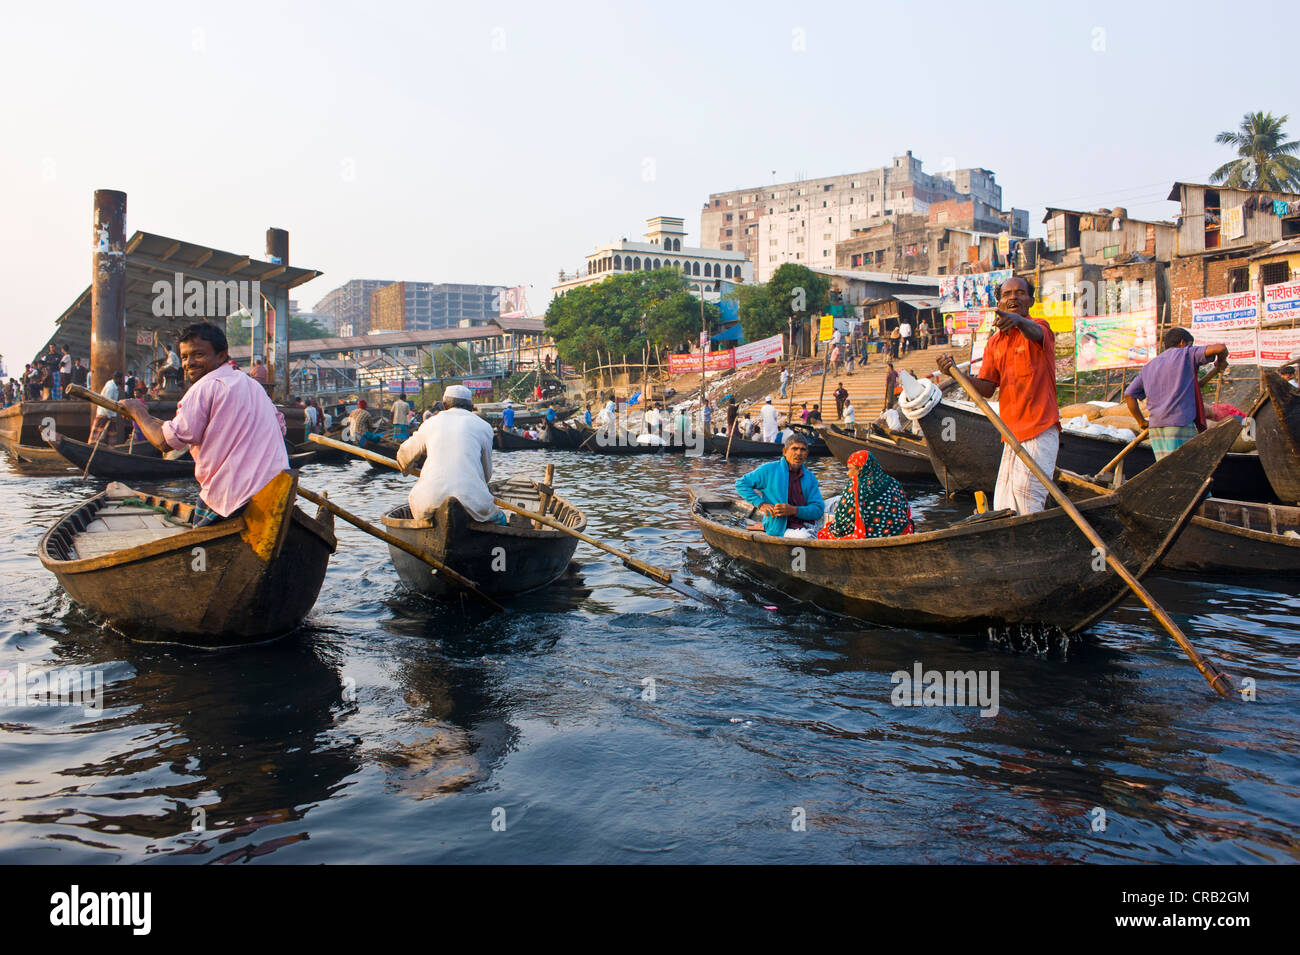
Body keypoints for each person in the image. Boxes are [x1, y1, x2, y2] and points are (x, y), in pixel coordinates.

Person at [119, 323, 288, 527]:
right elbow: (280, 427)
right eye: (184, 357)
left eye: (198, 354)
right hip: (277, 494)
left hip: (233, 499)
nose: (189, 363)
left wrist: (138, 412)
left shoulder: (205, 387)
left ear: (221, 355)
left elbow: (164, 442)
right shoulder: (254, 386)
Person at [937, 276, 1058, 515]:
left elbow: (1034, 331)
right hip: (1011, 433)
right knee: (1003, 502)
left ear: (1031, 300)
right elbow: (986, 388)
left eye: (1020, 293)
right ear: (999, 303)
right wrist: (956, 372)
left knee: (1028, 495)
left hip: (1040, 427)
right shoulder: (995, 343)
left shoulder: (1040, 328)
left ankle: (1030, 545)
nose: (1013, 297)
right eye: (1007, 294)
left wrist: (1017, 321)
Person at [396, 384, 504, 525]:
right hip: (473, 502)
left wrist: (407, 468)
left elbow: (404, 454)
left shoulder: (430, 423)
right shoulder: (484, 427)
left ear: (444, 406)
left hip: (428, 500)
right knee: (501, 519)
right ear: (471, 407)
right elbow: (487, 474)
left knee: (419, 505)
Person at [1123, 327, 1228, 459]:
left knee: (1166, 472)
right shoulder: (1186, 353)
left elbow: (1129, 395)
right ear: (1182, 343)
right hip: (1179, 425)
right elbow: (1221, 348)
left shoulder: (1149, 366)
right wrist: (1221, 360)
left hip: (1156, 429)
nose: (1191, 347)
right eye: (1190, 345)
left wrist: (1141, 422)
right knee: (1183, 470)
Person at [734, 432, 826, 538]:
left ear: (807, 453)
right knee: (805, 537)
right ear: (785, 451)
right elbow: (741, 484)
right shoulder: (769, 470)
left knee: (836, 501)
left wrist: (794, 510)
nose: (799, 453)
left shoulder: (810, 477)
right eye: (794, 449)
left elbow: (818, 509)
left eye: (803, 449)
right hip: (782, 528)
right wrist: (760, 504)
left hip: (808, 524)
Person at [816, 450, 914, 540]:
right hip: (897, 533)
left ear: (861, 469)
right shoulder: (893, 482)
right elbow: (905, 511)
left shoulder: (855, 485)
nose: (847, 473)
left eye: (850, 469)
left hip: (868, 536)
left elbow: (843, 523)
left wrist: (831, 528)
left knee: (824, 533)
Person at [88, 371, 125, 443]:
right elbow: (105, 403)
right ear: (117, 379)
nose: (121, 381)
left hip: (110, 413)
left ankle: (110, 447)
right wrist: (110, 416)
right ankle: (92, 446)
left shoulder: (112, 385)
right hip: (105, 414)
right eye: (121, 379)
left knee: (112, 434)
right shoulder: (111, 388)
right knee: (97, 433)